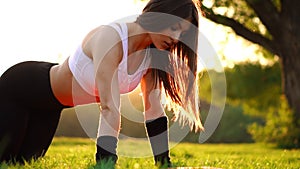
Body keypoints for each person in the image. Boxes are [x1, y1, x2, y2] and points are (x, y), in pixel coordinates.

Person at [0, 0, 203, 167]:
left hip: (51, 108)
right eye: (174, 27)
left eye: (182, 34)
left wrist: (163, 163)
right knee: (4, 160)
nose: (176, 38)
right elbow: (109, 108)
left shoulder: (151, 57)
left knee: (24, 163)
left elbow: (154, 111)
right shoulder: (111, 38)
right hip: (21, 89)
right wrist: (105, 163)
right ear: (159, 14)